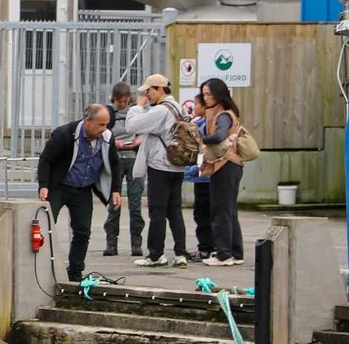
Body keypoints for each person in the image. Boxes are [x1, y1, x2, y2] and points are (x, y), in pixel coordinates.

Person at [36, 104, 121, 281]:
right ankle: (40, 268)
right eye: (100, 124)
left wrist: (115, 190)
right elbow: (45, 159)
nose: (104, 128)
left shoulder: (106, 137)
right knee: (46, 225)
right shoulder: (65, 134)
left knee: (83, 231)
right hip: (60, 186)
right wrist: (43, 185)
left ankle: (75, 271)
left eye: (106, 124)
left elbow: (114, 164)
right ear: (87, 121)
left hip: (83, 188)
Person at [125, 73, 191, 266]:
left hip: (160, 165)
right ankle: (180, 253)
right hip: (177, 166)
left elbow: (132, 126)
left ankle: (156, 255)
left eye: (149, 91)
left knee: (157, 210)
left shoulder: (161, 110)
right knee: (175, 210)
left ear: (160, 89)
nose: (147, 94)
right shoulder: (179, 107)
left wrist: (138, 106)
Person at [193, 79, 245, 265]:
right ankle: (236, 253)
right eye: (204, 94)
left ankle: (223, 254)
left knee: (220, 210)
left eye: (209, 94)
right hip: (232, 165)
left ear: (219, 94)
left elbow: (220, 135)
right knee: (229, 210)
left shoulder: (222, 114)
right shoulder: (224, 112)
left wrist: (201, 138)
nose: (206, 98)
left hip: (224, 164)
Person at [103, 81, 145, 260]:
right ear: (114, 99)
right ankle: (111, 243)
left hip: (133, 158)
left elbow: (145, 130)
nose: (123, 105)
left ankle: (136, 242)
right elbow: (102, 133)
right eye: (120, 101)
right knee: (114, 203)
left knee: (135, 204)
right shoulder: (108, 114)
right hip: (116, 159)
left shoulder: (135, 112)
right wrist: (114, 143)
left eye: (125, 101)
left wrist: (138, 141)